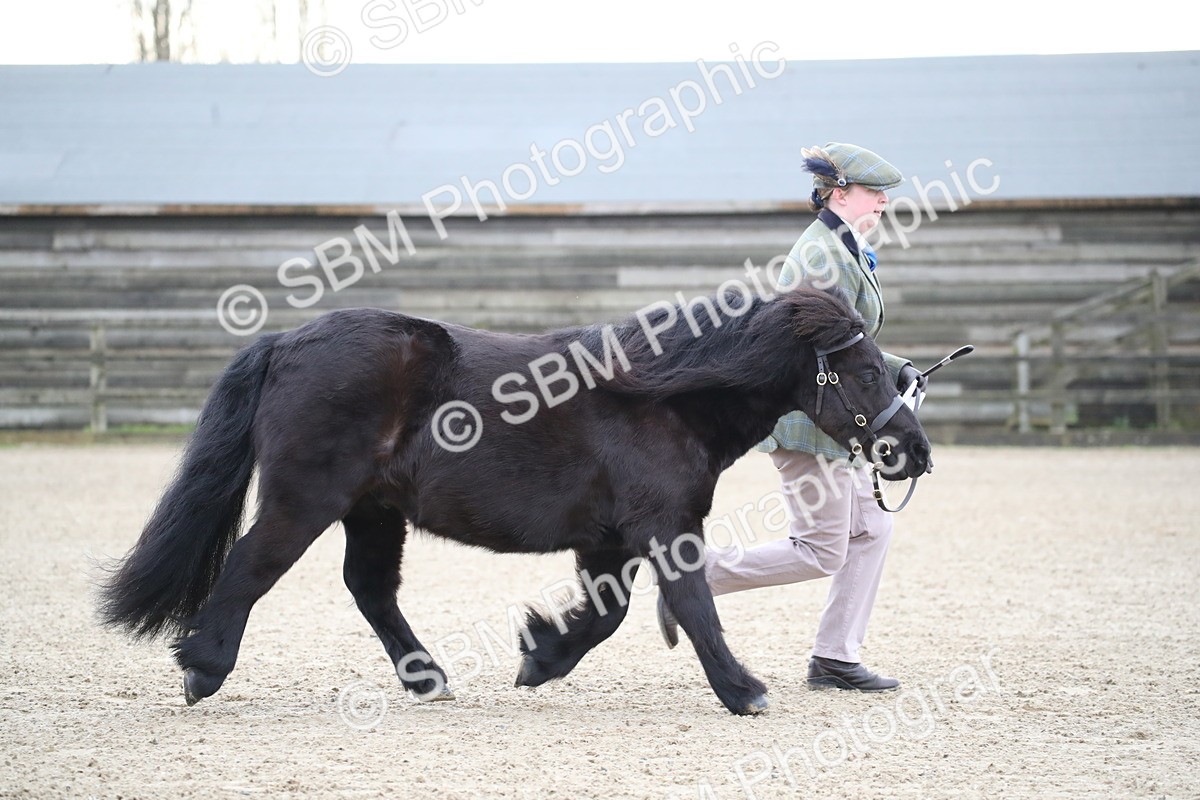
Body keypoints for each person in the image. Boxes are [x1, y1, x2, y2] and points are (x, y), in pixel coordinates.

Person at [656, 142, 926, 692]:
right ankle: (692, 577)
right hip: (812, 423)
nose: (882, 204)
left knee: (872, 528)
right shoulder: (823, 256)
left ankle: (835, 658)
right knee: (822, 549)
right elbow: (820, 348)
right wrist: (890, 369)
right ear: (841, 193)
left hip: (840, 414)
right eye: (875, 194)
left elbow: (849, 343)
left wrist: (895, 370)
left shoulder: (844, 247)